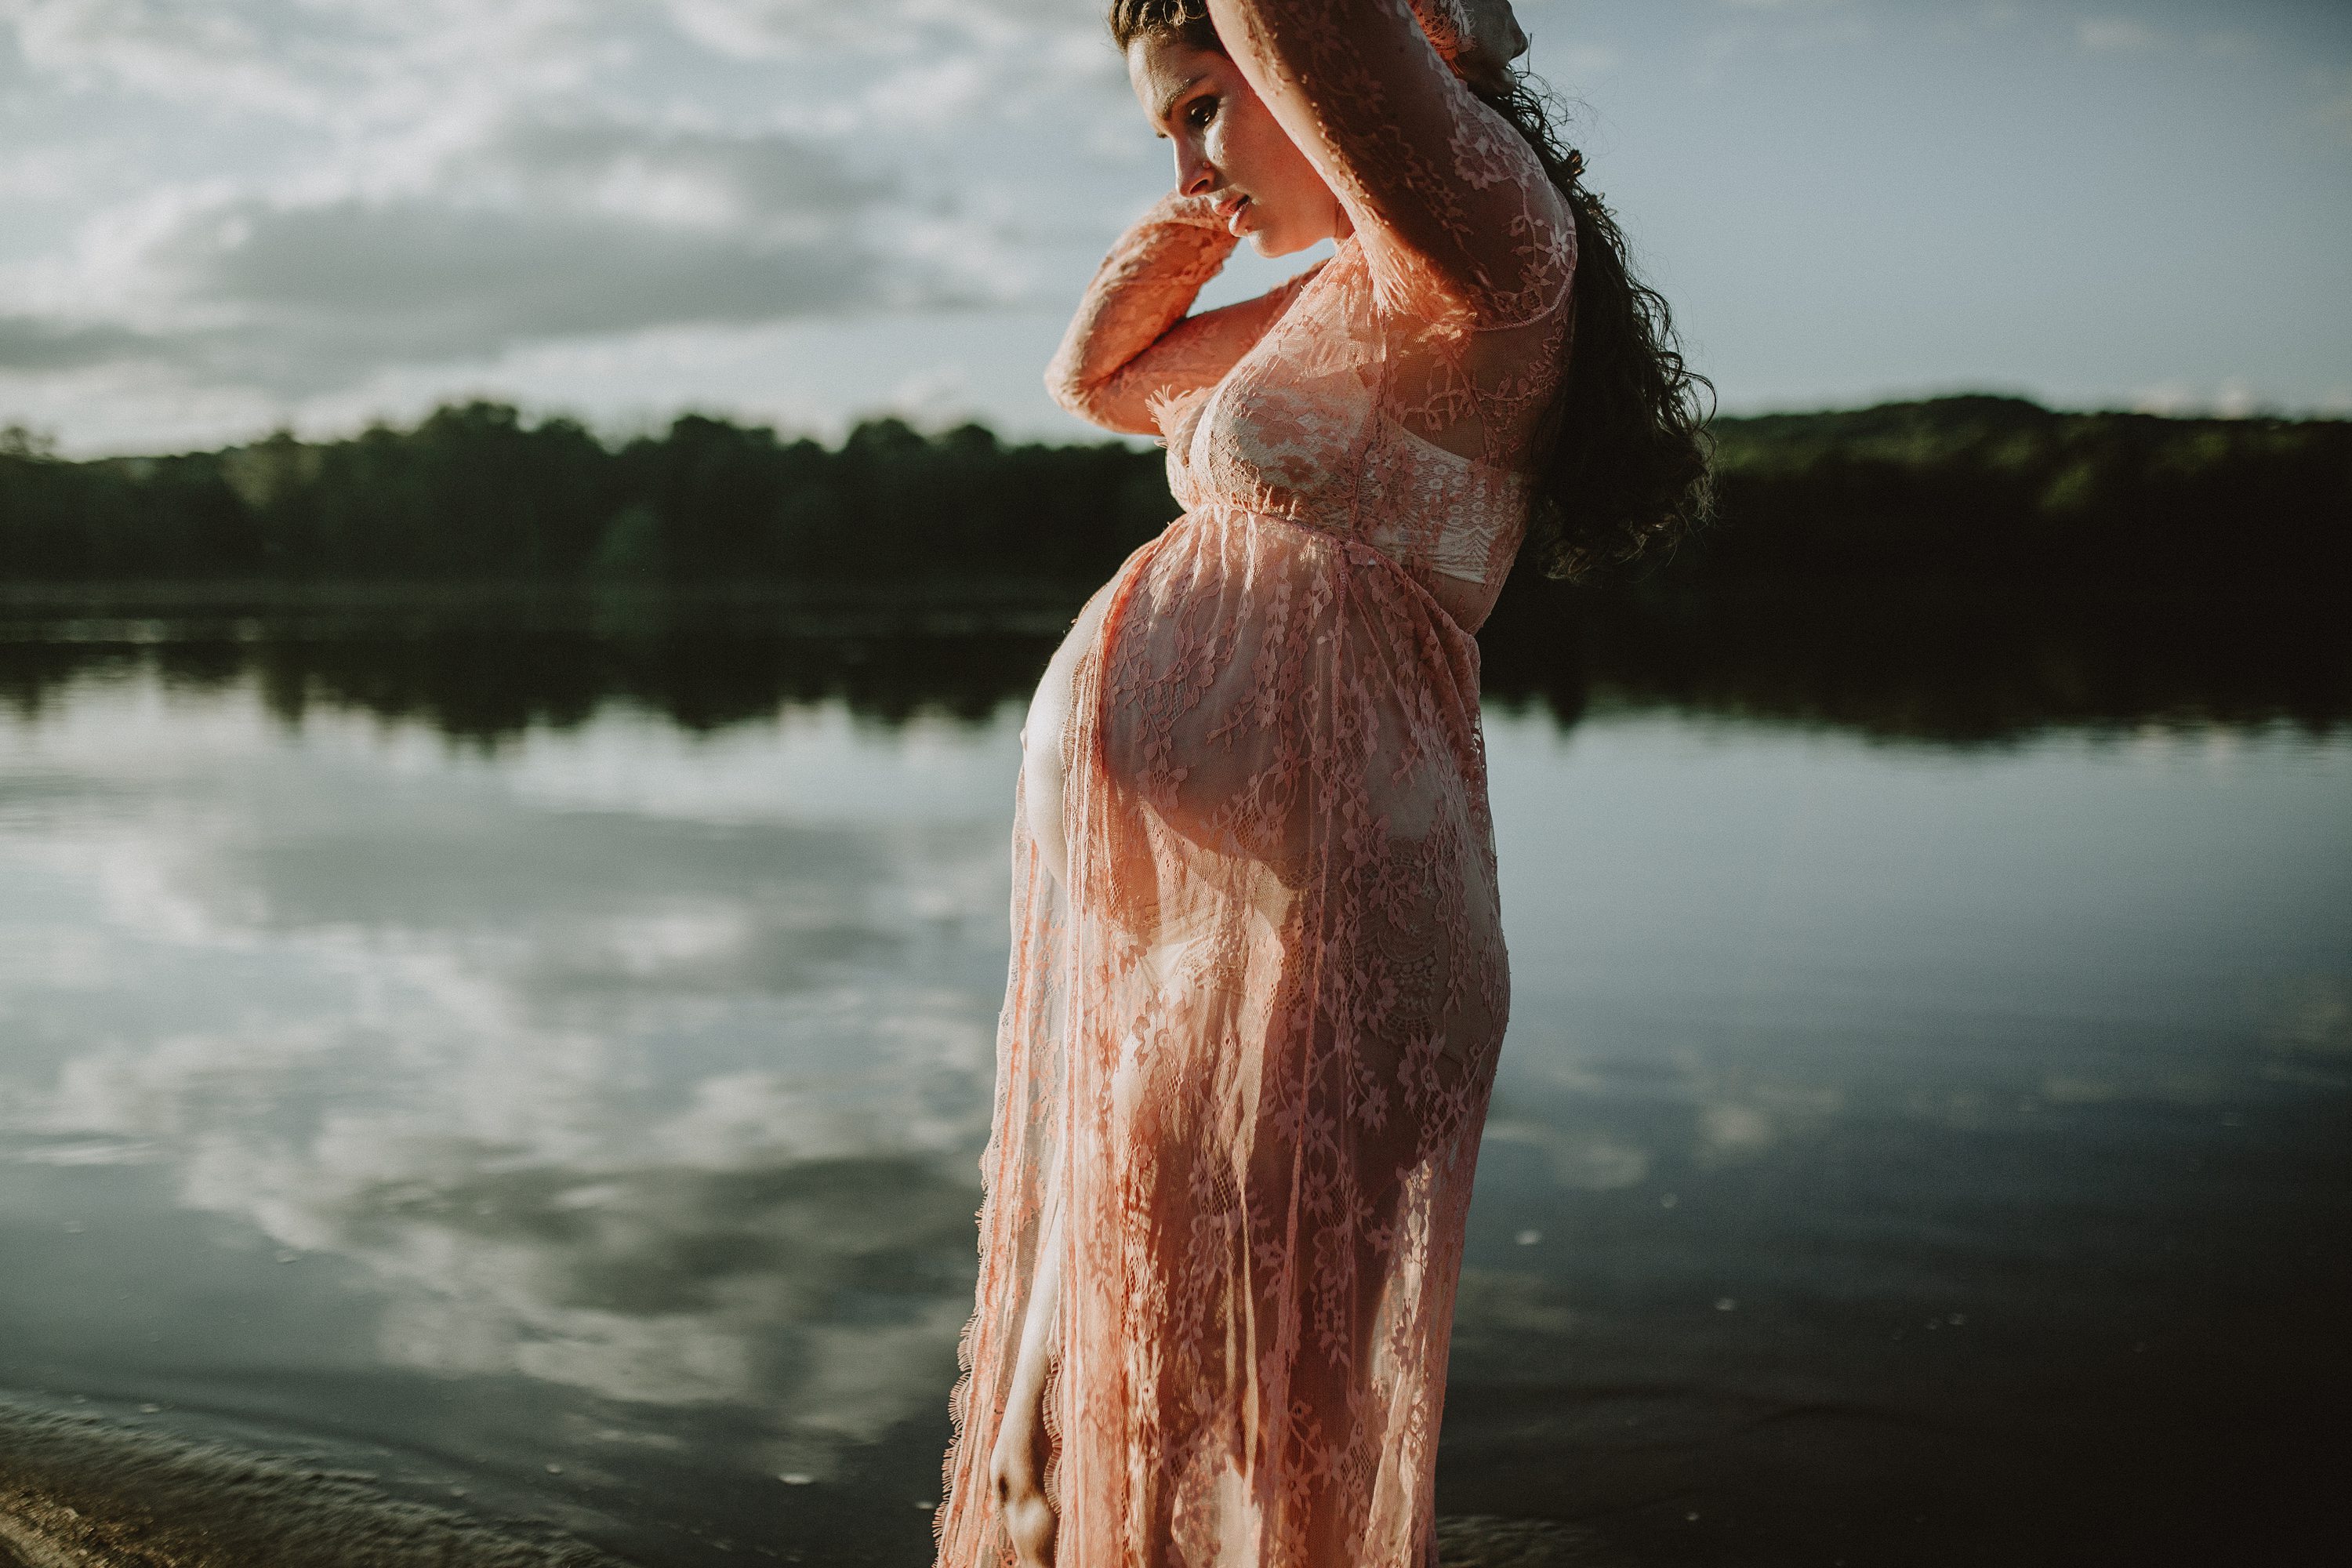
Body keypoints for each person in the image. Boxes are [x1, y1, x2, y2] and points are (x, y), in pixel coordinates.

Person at [932, 2, 1709, 1563]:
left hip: (1332, 940)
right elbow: (1098, 381)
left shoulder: (1489, 260)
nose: (1181, 149)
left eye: (1201, 105)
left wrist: (1431, 47)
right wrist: (1187, 222)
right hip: (1186, 942)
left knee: (1234, 1444)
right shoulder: (1339, 305)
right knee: (1071, 1436)